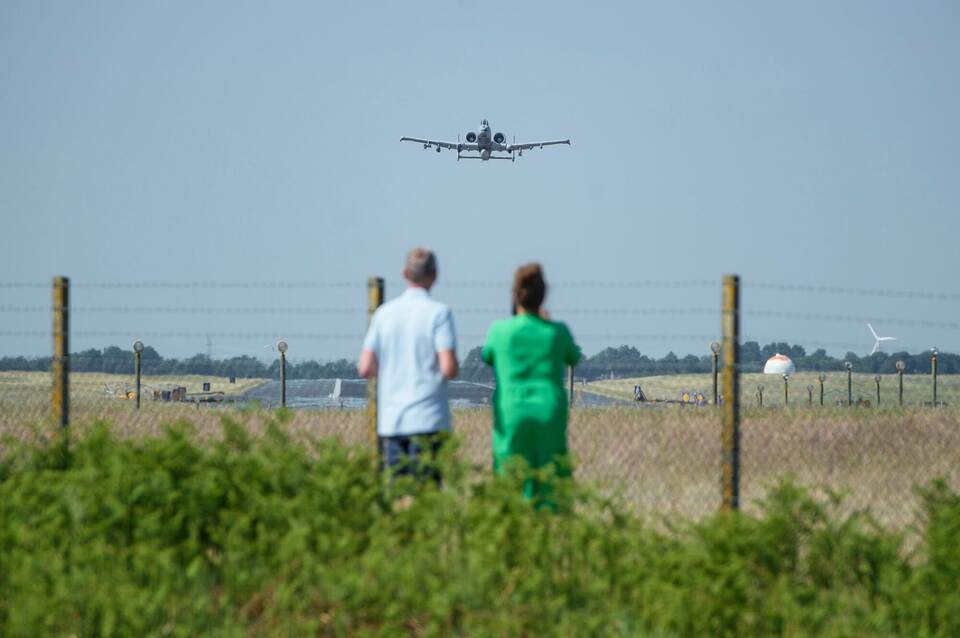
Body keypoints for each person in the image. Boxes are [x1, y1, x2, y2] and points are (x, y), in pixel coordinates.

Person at [481, 263, 581, 501]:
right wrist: (547, 323)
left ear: (515, 295)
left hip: (512, 412)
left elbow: (487, 355)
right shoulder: (557, 332)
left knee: (509, 474)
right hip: (549, 411)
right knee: (550, 474)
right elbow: (573, 356)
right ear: (544, 295)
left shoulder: (500, 331)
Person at [358, 248, 458, 483]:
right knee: (427, 497)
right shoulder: (439, 313)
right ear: (435, 275)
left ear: (405, 273)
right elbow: (448, 368)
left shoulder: (384, 314)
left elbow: (365, 367)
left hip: (392, 422)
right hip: (428, 419)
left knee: (396, 495)